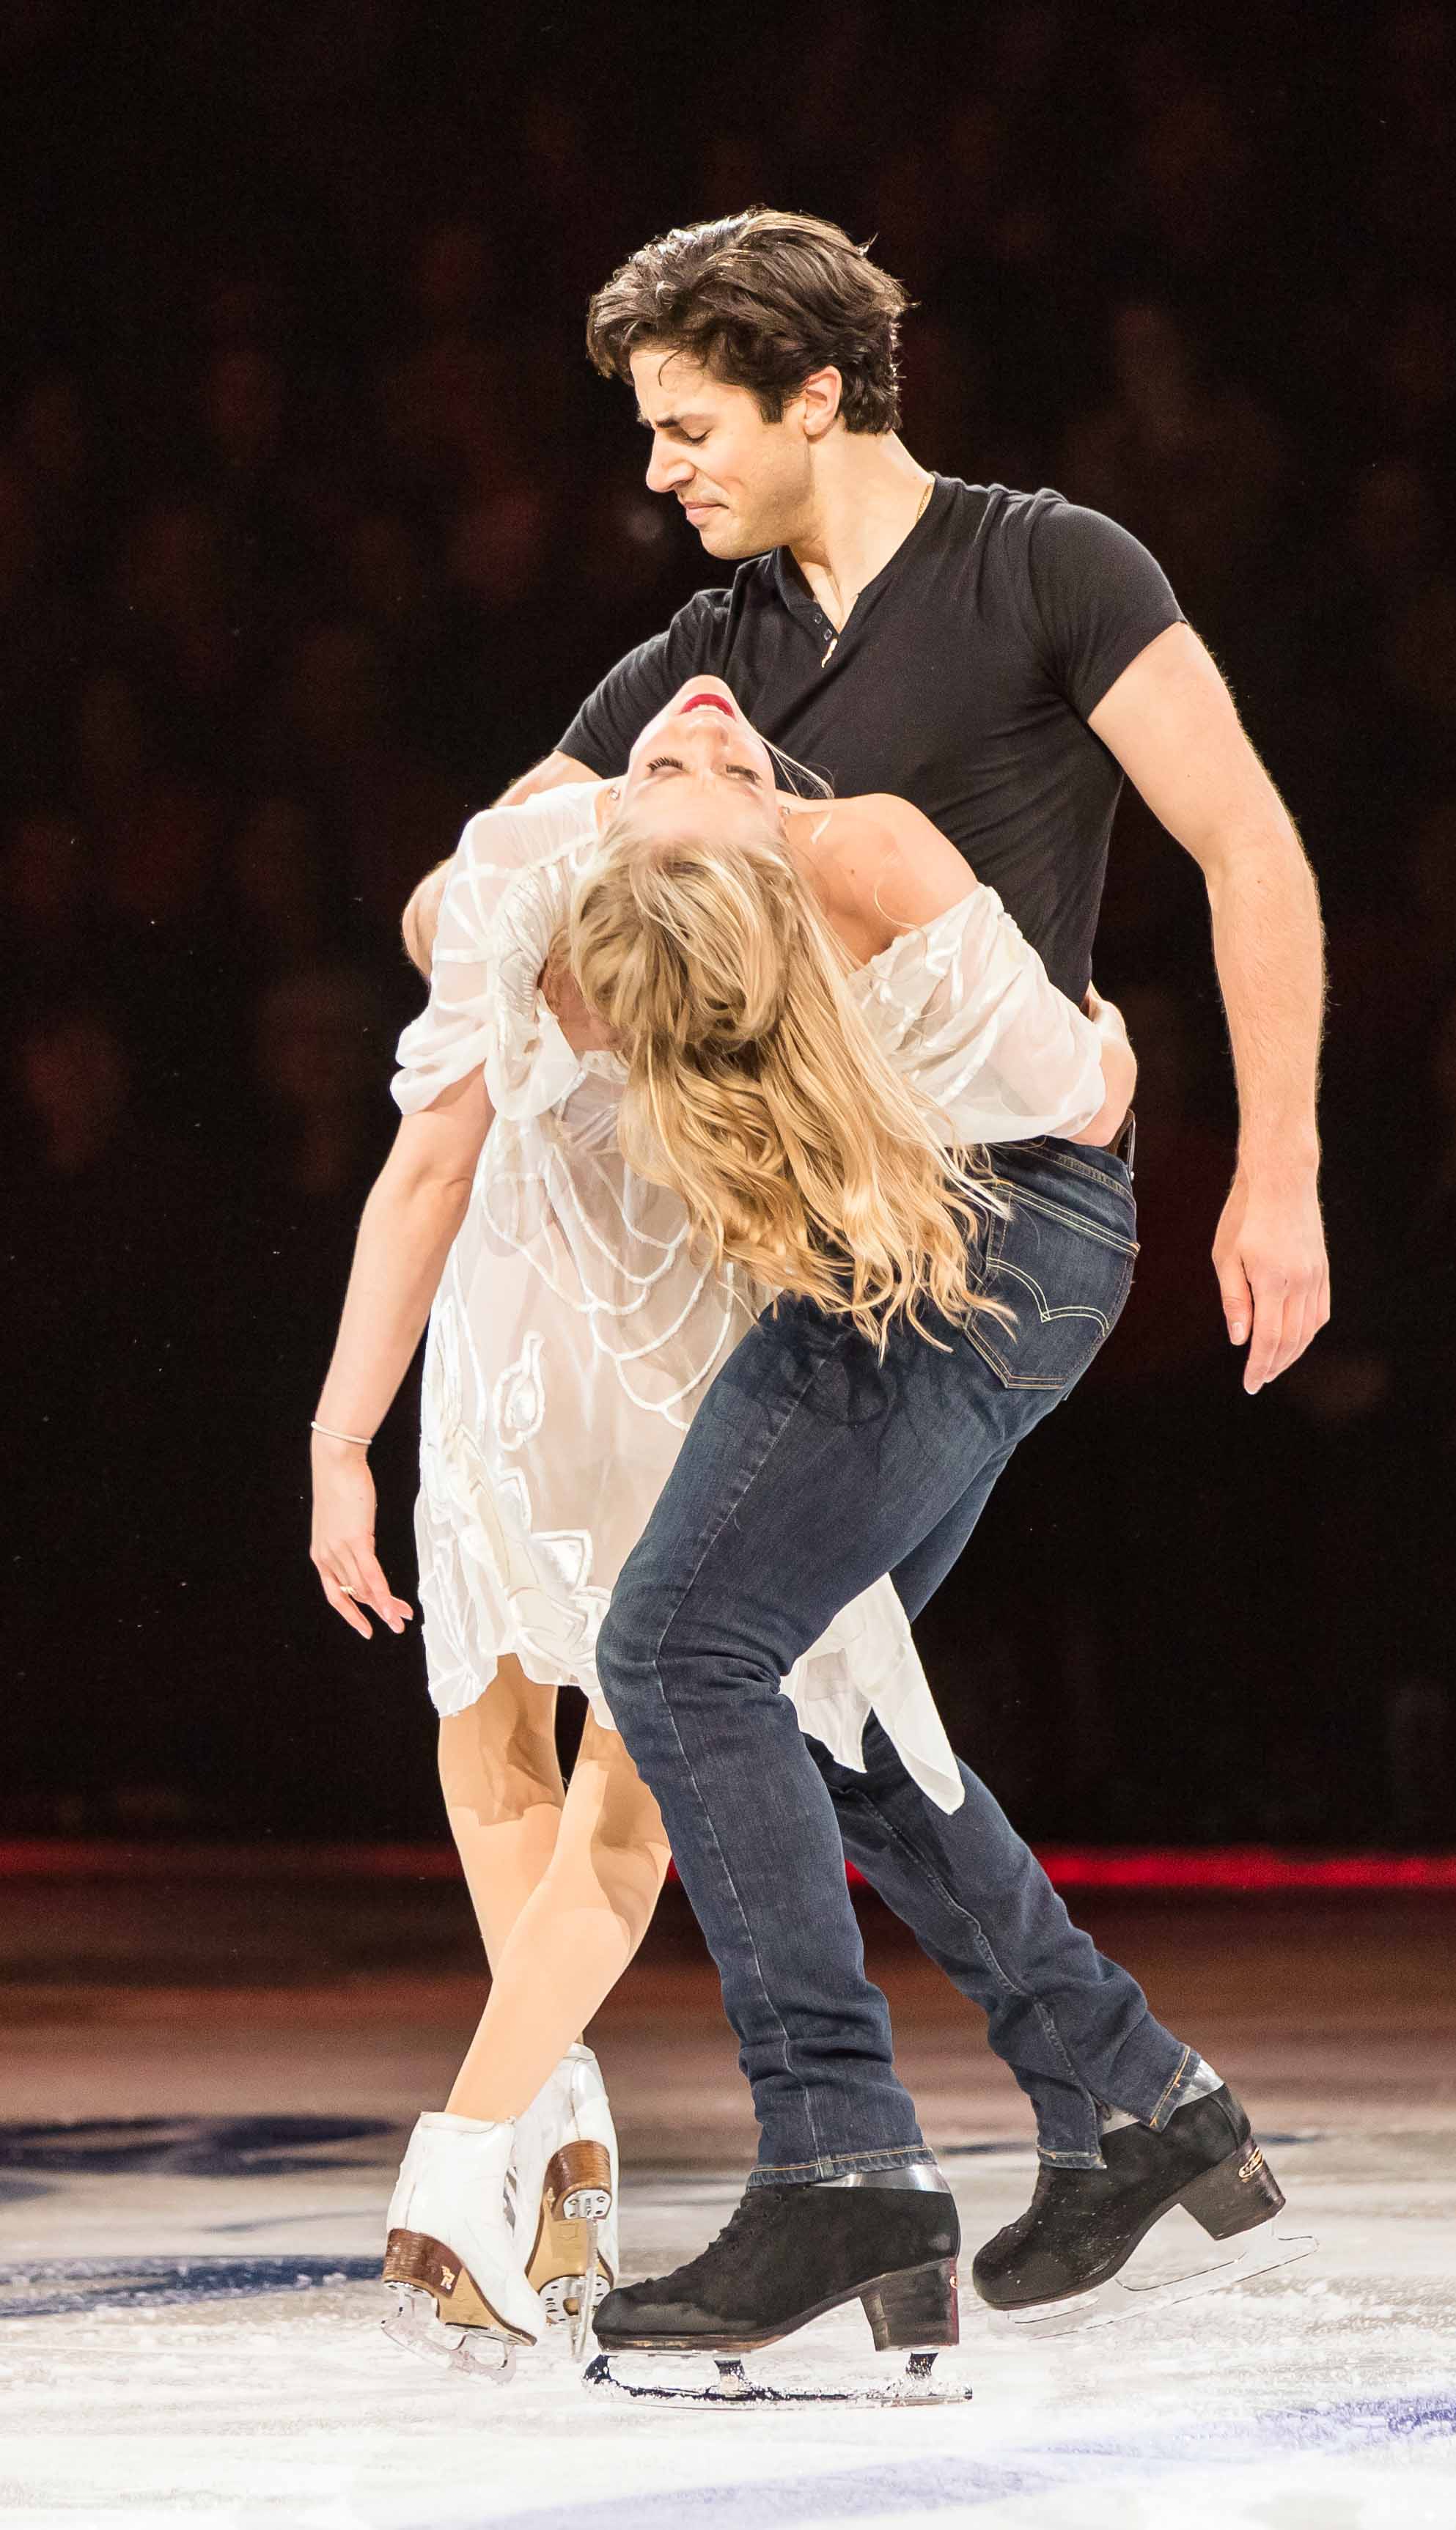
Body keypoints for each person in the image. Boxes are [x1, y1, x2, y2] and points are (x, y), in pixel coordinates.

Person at [493, 211, 1325, 2355]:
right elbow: (497, 856)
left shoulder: (1049, 565)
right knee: (825, 1697)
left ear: (815, 391)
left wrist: (1286, 1171)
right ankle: (1126, 2092)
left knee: (676, 1645)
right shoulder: (707, 656)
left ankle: (841, 2165)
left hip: (1003, 1213)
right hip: (848, 1234)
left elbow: (1246, 849)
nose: (660, 468)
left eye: (688, 425)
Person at [307, 673, 1150, 2372]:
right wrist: (346, 1432)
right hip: (514, 1363)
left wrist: (1098, 1058)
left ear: (767, 842)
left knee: (627, 1789)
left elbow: (1073, 1099)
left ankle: (462, 2171)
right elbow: (428, 1156)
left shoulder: (756, 907)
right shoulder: (534, 866)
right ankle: (556, 2165)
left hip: (684, 1384)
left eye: (722, 762)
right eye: (673, 750)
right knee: (489, 1761)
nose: (699, 723)